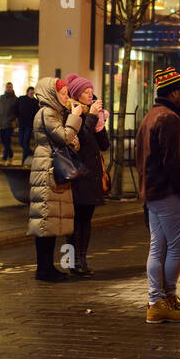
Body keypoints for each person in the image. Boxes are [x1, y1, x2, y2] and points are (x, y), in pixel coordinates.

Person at [136, 67, 180, 322]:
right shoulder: (169, 119)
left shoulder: (152, 115)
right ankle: (167, 298)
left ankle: (156, 301)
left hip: (153, 191)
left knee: (157, 246)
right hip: (168, 191)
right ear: (174, 92)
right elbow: (170, 161)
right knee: (175, 246)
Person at [27, 77, 82, 282]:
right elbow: (65, 137)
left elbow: (67, 140)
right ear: (51, 93)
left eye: (67, 92)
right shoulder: (48, 112)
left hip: (51, 167)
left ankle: (48, 267)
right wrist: (75, 118)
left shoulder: (55, 113)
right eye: (63, 92)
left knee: (50, 222)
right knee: (45, 221)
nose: (66, 96)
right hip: (47, 169)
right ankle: (44, 269)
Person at [63, 73, 109, 277]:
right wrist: (90, 116)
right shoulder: (72, 113)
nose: (90, 95)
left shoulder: (91, 114)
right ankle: (70, 262)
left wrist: (100, 124)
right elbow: (80, 137)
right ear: (76, 94)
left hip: (91, 175)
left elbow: (104, 145)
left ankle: (82, 259)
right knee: (73, 223)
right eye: (85, 92)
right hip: (77, 174)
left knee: (86, 220)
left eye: (91, 91)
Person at [15, 85, 40, 164]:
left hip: (29, 125)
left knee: (25, 142)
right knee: (21, 142)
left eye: (33, 93)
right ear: (27, 92)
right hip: (21, 123)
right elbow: (16, 108)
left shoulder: (35, 102)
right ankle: (30, 152)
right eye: (31, 93)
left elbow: (37, 113)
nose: (32, 95)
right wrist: (16, 117)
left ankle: (24, 160)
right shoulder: (21, 99)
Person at [0, 82, 17, 163]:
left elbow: (15, 112)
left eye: (10, 87)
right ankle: (11, 154)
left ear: (12, 88)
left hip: (9, 124)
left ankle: (4, 158)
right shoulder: (1, 97)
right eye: (7, 87)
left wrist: (11, 119)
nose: (9, 88)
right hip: (2, 123)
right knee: (3, 140)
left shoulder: (15, 99)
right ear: (6, 88)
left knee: (7, 140)